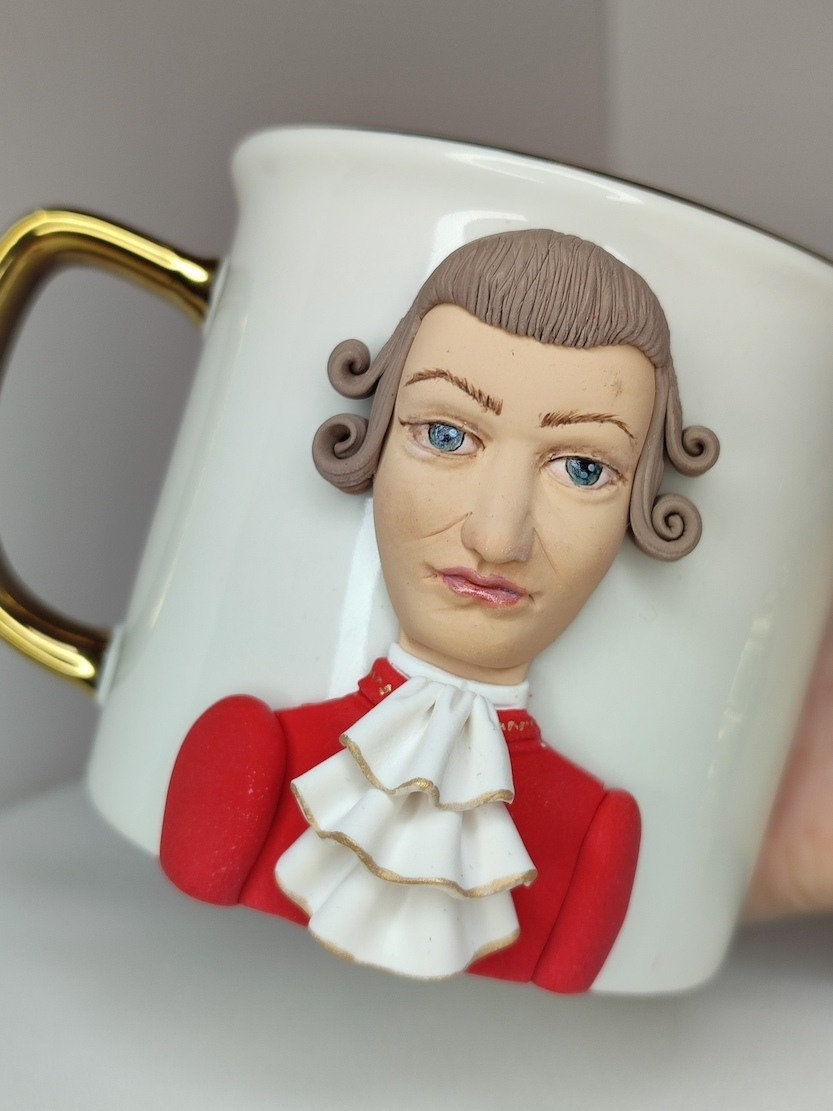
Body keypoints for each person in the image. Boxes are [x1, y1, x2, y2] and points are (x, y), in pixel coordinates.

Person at [160, 229, 719, 993]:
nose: (496, 537)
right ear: (374, 438)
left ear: (641, 503)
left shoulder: (597, 840)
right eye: (446, 434)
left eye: (584, 468)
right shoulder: (249, 756)